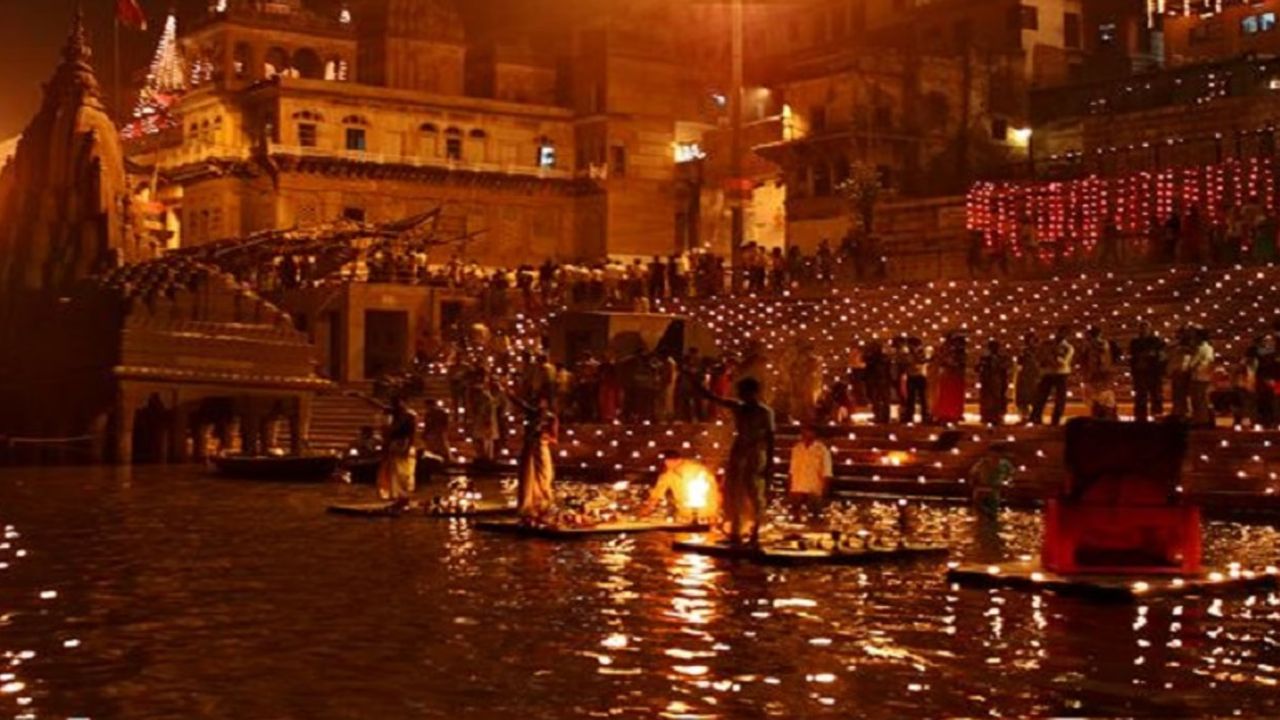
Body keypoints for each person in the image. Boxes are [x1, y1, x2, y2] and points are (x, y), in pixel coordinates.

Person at [688, 374, 775, 548]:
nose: (741, 396)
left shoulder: (764, 412)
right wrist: (692, 381)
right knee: (734, 492)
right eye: (740, 393)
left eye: (744, 392)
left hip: (755, 453)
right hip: (738, 451)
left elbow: (771, 438)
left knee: (753, 493)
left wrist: (769, 464)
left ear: (754, 393)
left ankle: (755, 533)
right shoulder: (738, 407)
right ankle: (736, 532)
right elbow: (712, 397)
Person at [507, 389, 558, 518]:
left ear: (546, 403)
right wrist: (509, 393)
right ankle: (529, 504)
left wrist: (543, 435)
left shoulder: (551, 418)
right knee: (528, 475)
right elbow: (520, 404)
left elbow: (554, 438)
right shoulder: (532, 414)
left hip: (541, 449)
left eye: (541, 402)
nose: (539, 404)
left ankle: (543, 502)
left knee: (544, 475)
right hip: (529, 449)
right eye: (536, 402)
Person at [641, 450, 720, 523]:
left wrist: (715, 512)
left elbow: (713, 490)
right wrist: (647, 509)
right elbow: (656, 494)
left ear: (679, 460)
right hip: (685, 515)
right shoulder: (668, 475)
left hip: (707, 514)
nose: (667, 464)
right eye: (666, 462)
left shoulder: (698, 469)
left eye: (669, 461)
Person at [377, 396, 418, 505]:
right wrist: (361, 396)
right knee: (393, 469)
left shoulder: (410, 415)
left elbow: (412, 433)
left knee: (403, 471)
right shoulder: (395, 413)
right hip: (395, 443)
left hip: (403, 442)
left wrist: (409, 445)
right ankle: (395, 493)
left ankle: (403, 494)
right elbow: (378, 406)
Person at [787, 425, 833, 521]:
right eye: (804, 432)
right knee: (796, 515)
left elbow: (827, 470)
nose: (806, 435)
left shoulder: (822, 449)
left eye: (809, 432)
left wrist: (825, 487)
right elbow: (792, 469)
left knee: (814, 516)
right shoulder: (797, 448)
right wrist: (790, 486)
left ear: (814, 434)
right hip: (798, 486)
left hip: (814, 487)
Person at [1031, 326, 1074, 426]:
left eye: (1065, 333)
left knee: (1060, 398)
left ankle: (1056, 419)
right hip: (1048, 373)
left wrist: (1050, 358)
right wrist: (1043, 361)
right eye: (1061, 332)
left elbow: (1062, 362)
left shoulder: (1068, 347)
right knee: (1041, 396)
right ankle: (1035, 417)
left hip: (1061, 374)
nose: (1061, 335)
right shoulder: (1046, 344)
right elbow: (1038, 356)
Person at [1129, 321, 1167, 422]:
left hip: (1153, 372)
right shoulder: (1135, 342)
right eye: (1142, 328)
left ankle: (1157, 415)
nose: (1144, 330)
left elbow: (1161, 355)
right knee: (1141, 395)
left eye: (1146, 328)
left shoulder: (1156, 341)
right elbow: (1133, 356)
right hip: (1140, 372)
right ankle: (1141, 417)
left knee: (1156, 395)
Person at [933, 333, 967, 424]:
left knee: (954, 395)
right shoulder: (947, 350)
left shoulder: (960, 352)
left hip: (955, 376)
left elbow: (960, 363)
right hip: (948, 375)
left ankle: (953, 413)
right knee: (946, 395)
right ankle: (945, 414)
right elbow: (942, 360)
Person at [976, 340, 1010, 425]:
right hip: (988, 381)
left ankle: (997, 416)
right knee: (988, 399)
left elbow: (1005, 369)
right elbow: (977, 368)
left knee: (997, 398)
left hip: (997, 380)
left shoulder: (1001, 358)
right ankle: (987, 416)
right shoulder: (985, 358)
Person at [1188, 327, 1215, 427]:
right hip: (1201, 376)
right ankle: (1201, 419)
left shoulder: (1202, 348)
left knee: (1199, 400)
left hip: (1200, 376)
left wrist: (1191, 366)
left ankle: (1201, 420)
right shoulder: (1207, 348)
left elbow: (1193, 363)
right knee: (1199, 399)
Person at [1013, 331, 1041, 423]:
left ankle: (1035, 416)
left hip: (1034, 375)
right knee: (1023, 397)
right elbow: (1019, 363)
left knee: (1035, 396)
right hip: (1024, 376)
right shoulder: (1023, 351)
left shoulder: (1038, 350)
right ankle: (1024, 416)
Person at [902, 337, 930, 424]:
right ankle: (909, 416)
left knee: (922, 398)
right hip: (911, 376)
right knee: (911, 398)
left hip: (919, 376)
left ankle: (925, 416)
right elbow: (906, 363)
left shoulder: (921, 353)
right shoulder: (907, 354)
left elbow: (922, 361)